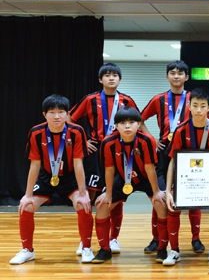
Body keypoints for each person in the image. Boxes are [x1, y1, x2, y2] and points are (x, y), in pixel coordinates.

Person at [69, 62, 146, 256]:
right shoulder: (90, 99)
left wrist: (150, 141)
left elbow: (139, 121)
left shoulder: (126, 100)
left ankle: (113, 239)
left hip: (121, 151)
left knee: (116, 198)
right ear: (100, 79)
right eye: (107, 75)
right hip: (96, 153)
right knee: (89, 196)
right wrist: (83, 140)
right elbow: (70, 119)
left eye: (115, 75)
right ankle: (84, 241)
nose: (111, 78)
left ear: (120, 79)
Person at [10, 95, 94, 265]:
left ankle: (86, 247)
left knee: (83, 204)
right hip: (46, 177)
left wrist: (83, 193)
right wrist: (27, 194)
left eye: (61, 112)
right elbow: (34, 165)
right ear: (44, 114)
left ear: (67, 113)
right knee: (26, 206)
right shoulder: (36, 133)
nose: (57, 116)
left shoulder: (77, 131)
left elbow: (79, 164)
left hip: (70, 177)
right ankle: (27, 250)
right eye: (52, 112)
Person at [141, 60, 202, 255]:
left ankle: (196, 238)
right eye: (173, 73)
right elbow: (140, 119)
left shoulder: (194, 98)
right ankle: (156, 238)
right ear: (167, 76)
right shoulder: (158, 99)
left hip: (189, 150)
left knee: (194, 196)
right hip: (165, 150)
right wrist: (151, 139)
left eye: (180, 73)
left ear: (187, 77)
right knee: (159, 195)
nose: (176, 76)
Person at [94, 106, 168, 263]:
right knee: (101, 207)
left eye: (131, 122)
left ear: (138, 124)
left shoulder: (147, 140)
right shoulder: (108, 143)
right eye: (122, 123)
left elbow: (149, 168)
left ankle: (162, 248)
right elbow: (109, 169)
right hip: (122, 177)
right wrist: (107, 194)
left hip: (147, 177)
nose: (127, 126)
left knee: (161, 204)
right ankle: (105, 249)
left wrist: (156, 192)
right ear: (116, 126)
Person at [164, 88, 209, 266]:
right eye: (195, 106)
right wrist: (168, 190)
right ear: (189, 107)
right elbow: (172, 162)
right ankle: (174, 250)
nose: (199, 110)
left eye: (202, 106)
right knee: (173, 208)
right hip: (185, 180)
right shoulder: (180, 131)